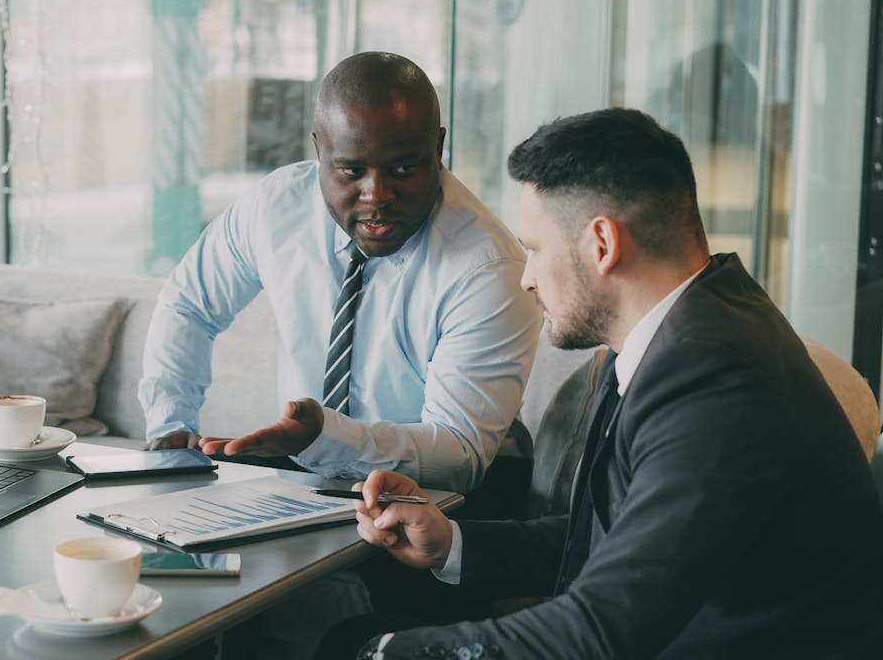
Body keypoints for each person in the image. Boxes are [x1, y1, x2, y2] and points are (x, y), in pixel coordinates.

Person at [328, 108, 883, 659]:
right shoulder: (689, 331)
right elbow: (619, 540)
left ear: (601, 244)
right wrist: (451, 542)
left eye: (536, 249)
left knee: (350, 643)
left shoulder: (715, 375)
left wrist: (382, 655)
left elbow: (600, 631)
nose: (526, 278)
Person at [140, 51, 541, 494]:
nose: (377, 196)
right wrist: (170, 426)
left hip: (448, 504)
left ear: (439, 147)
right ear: (319, 150)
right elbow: (190, 302)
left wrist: (325, 438)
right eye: (351, 171)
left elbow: (458, 456)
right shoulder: (277, 207)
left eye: (403, 169)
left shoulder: (488, 269)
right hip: (307, 473)